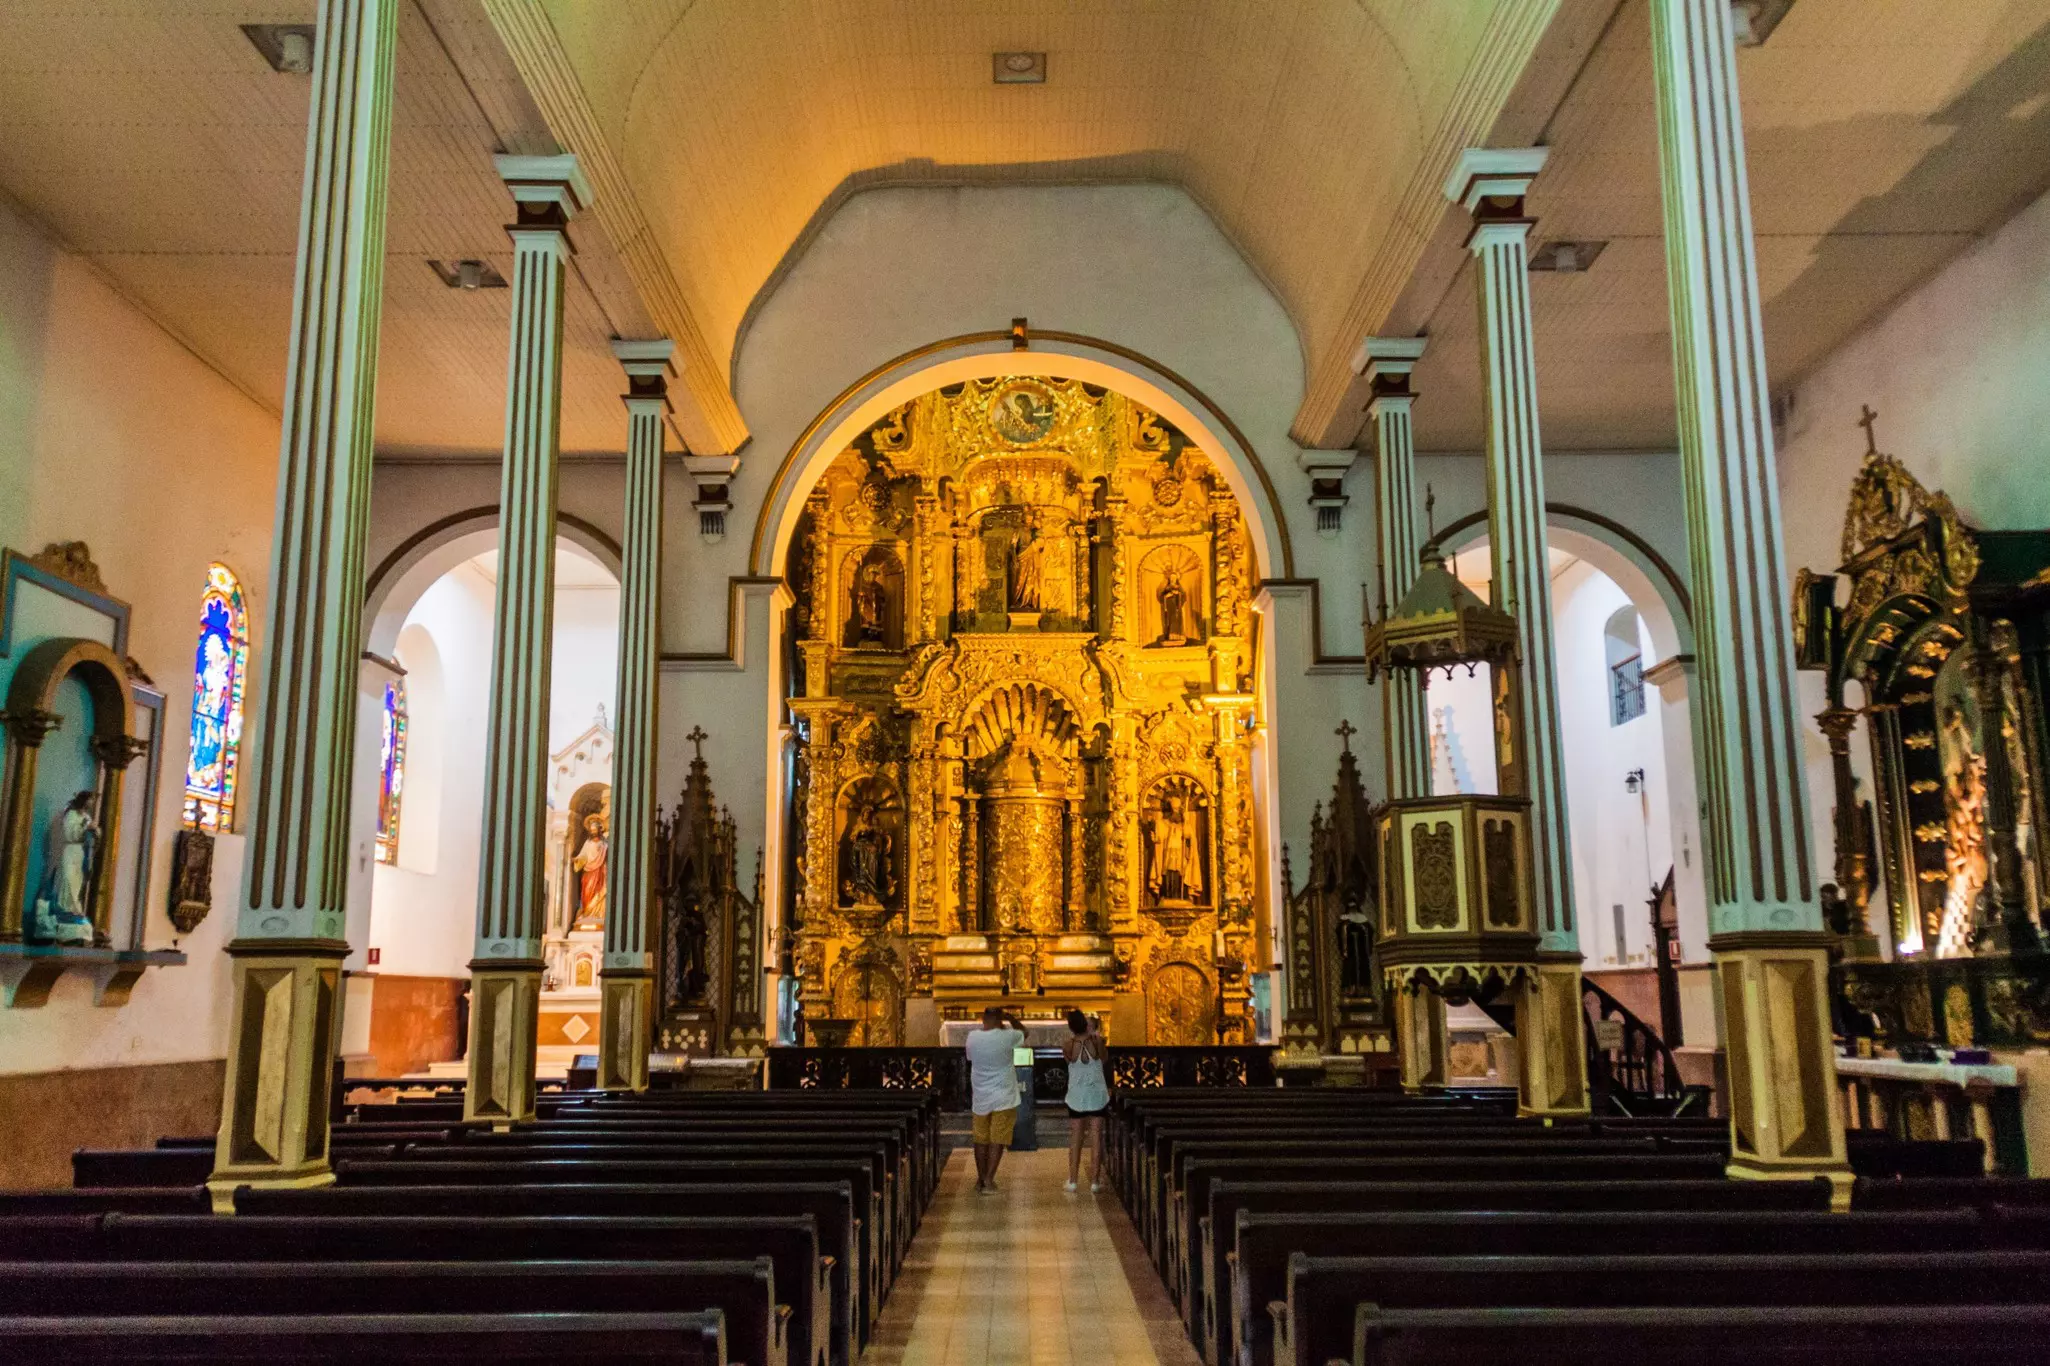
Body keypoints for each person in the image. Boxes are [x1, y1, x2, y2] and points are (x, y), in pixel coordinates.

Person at [965, 1005, 1025, 1193]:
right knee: (997, 1138)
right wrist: (1011, 1020)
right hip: (1004, 1095)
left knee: (980, 1138)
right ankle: (989, 1181)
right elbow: (1024, 1033)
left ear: (983, 1019)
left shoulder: (973, 1037)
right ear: (1000, 1020)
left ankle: (980, 1178)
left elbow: (970, 1058)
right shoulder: (1008, 1036)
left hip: (981, 1094)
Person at [1062, 1008, 1109, 1193]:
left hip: (1076, 1095)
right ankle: (1095, 1182)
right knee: (1096, 1137)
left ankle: (1073, 1181)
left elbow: (1069, 1062)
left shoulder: (1067, 1044)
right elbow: (1104, 1059)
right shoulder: (1097, 1041)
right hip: (1097, 1094)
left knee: (1076, 1139)